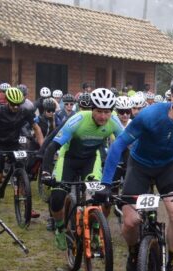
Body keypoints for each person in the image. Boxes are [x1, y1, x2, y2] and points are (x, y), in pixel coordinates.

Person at [93, 74, 173, 271]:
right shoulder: (149, 116)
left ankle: (172, 265)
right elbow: (118, 146)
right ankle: (135, 252)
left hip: (167, 167)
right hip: (140, 166)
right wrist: (106, 183)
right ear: (172, 98)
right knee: (130, 222)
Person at [40, 88, 123, 250]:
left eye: (107, 112)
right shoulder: (78, 119)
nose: (103, 116)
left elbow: (126, 146)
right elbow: (52, 147)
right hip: (68, 159)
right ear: (92, 109)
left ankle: (97, 229)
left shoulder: (114, 121)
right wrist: (46, 171)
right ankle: (59, 227)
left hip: (90, 161)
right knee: (57, 198)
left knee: (102, 197)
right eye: (99, 111)